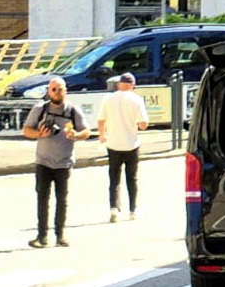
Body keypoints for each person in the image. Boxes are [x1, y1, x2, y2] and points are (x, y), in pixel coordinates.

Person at [23, 76, 92, 248]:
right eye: (53, 89)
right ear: (48, 91)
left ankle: (60, 235)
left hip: (64, 161)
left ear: (65, 91)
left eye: (60, 89)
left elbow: (86, 131)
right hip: (43, 161)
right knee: (42, 199)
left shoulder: (72, 110)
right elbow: (26, 130)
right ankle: (42, 236)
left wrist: (75, 135)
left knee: (62, 200)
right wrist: (40, 134)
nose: (56, 92)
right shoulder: (40, 109)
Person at [98, 72, 149, 222]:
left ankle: (114, 208)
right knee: (132, 178)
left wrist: (102, 135)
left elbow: (101, 120)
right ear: (132, 86)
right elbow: (143, 124)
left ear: (119, 84)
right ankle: (133, 210)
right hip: (131, 144)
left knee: (114, 178)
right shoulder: (136, 100)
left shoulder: (108, 99)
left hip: (113, 143)